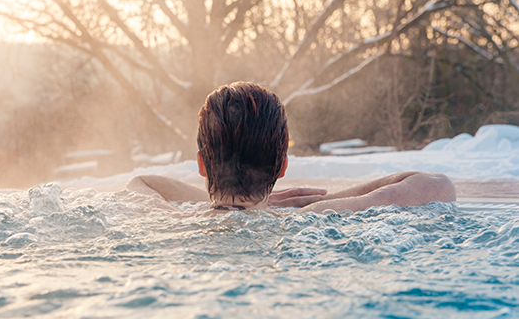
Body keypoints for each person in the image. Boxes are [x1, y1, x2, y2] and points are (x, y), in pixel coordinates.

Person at [126, 81, 456, 212]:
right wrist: (279, 205)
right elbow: (439, 186)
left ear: (201, 164)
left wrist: (224, 200)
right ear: (282, 168)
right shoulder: (307, 220)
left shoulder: (171, 218)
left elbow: (140, 182)